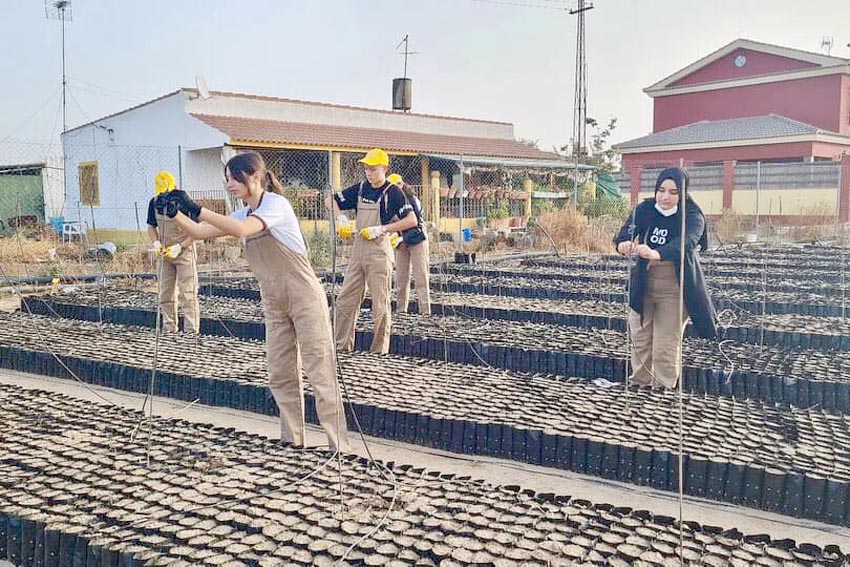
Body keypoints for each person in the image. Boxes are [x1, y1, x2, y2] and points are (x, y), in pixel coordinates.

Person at [159, 152, 350, 452]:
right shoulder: (242, 212)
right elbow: (198, 232)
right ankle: (292, 439)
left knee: (319, 369)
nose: (230, 185)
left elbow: (241, 230)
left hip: (303, 296)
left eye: (236, 178)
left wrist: (199, 208)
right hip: (273, 300)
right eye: (227, 179)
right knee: (280, 370)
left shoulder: (275, 205)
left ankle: (339, 447)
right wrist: (175, 213)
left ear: (256, 177)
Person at [613, 167, 717, 389]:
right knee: (640, 339)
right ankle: (639, 383)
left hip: (674, 286)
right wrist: (624, 244)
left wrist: (657, 253)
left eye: (673, 192)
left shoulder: (691, 215)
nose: (665, 197)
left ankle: (663, 388)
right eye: (661, 190)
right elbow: (625, 233)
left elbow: (687, 242)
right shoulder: (645, 209)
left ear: (682, 193)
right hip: (644, 283)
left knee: (665, 344)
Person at [326, 148, 417, 354]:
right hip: (358, 251)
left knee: (380, 303)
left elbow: (411, 220)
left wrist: (382, 228)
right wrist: (341, 217)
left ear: (384, 168)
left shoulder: (393, 192)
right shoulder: (360, 189)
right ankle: (342, 346)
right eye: (366, 168)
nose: (369, 172)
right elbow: (330, 200)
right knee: (345, 299)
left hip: (379, 251)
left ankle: (379, 351)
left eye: (373, 169)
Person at [146, 170, 200, 334]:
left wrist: (180, 247)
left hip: (184, 252)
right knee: (165, 293)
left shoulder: (184, 202)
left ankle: (191, 332)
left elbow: (196, 232)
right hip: (165, 254)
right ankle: (169, 329)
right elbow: (151, 227)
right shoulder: (154, 202)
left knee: (188, 293)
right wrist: (156, 243)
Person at [387, 173, 431, 316]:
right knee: (401, 277)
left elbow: (417, 225)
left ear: (402, 185)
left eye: (398, 185)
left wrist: (402, 238)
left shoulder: (412, 201)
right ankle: (401, 310)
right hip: (400, 242)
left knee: (421, 277)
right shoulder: (389, 202)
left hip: (417, 240)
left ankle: (425, 311)